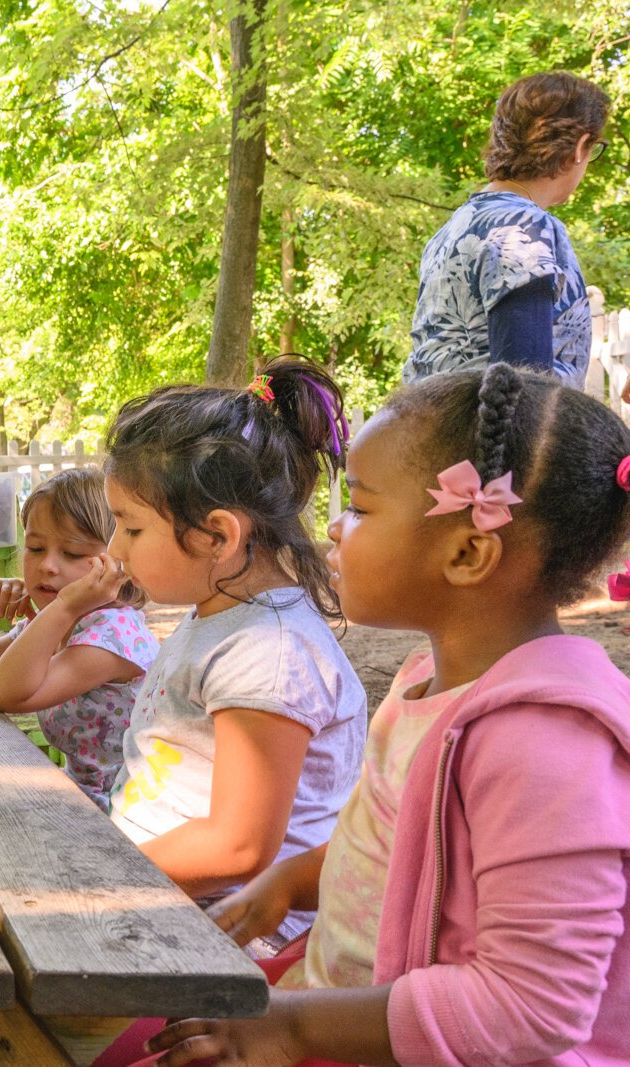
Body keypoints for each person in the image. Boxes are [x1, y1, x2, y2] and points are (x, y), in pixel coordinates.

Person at [139, 362, 630, 1066]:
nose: (335, 527)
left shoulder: (544, 743)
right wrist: (294, 879)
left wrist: (293, 1026)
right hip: (343, 1006)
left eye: (362, 508)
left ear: (468, 551)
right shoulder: (426, 680)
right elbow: (404, 846)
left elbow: (531, 1007)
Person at [101, 356, 366, 946]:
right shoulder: (221, 620)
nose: (115, 548)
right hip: (163, 893)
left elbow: (237, 846)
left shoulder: (268, 653)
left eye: (132, 527)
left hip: (235, 936)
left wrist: (91, 879)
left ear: (217, 535)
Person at [0, 469, 158, 810]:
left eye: (73, 554)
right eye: (35, 548)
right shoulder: (53, 626)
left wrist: (64, 607)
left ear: (119, 561)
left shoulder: (114, 638)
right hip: (78, 796)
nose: (47, 565)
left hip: (125, 813)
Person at [405, 71, 611, 392]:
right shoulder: (524, 228)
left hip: (432, 428)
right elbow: (524, 386)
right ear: (580, 147)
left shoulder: (452, 228)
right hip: (496, 437)